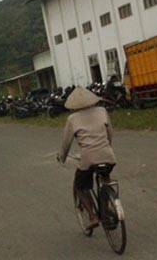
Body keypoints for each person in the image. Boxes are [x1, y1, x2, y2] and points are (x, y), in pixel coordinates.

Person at [57, 86, 117, 230]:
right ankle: (106, 206)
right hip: (108, 155)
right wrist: (107, 147)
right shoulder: (102, 111)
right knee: (105, 180)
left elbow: (66, 144)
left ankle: (93, 216)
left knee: (79, 186)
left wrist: (62, 158)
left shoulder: (72, 119)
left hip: (88, 159)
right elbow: (110, 133)